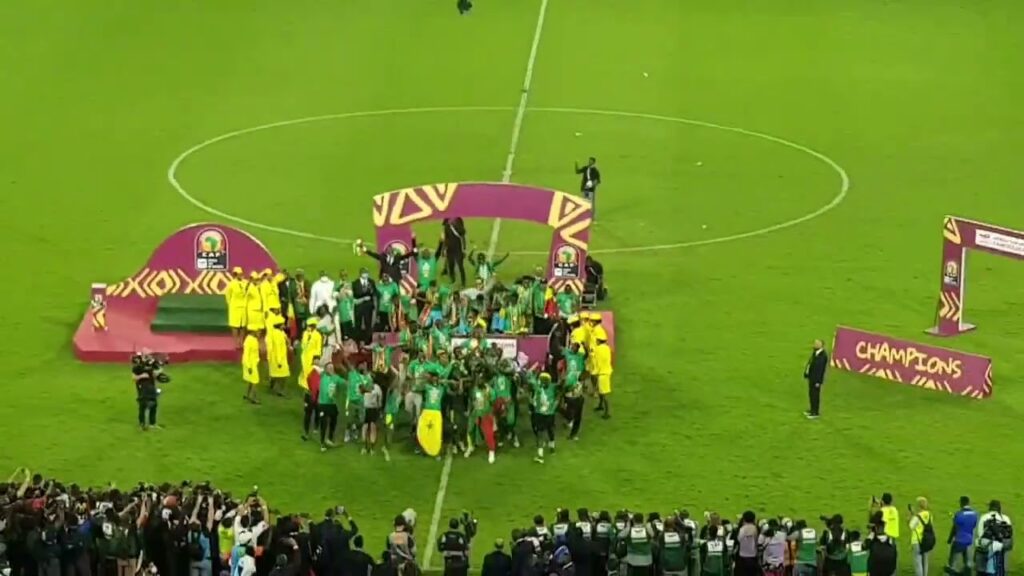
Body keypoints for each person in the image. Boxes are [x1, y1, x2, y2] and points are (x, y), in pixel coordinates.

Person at [975, 500, 1012, 576]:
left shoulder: (984, 517)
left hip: (988, 546)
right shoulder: (1006, 518)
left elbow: (980, 534)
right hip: (1002, 546)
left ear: (990, 507)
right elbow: (1009, 534)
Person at [529, 372, 557, 464]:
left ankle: (540, 455)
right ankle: (552, 447)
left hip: (540, 414)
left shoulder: (537, 387)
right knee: (549, 430)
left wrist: (532, 373)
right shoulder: (553, 387)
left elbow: (529, 379)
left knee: (541, 434)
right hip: (549, 414)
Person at [947, 496, 978, 576]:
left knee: (953, 559)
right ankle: (967, 572)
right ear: (968, 503)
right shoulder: (974, 514)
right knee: (966, 559)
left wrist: (950, 539)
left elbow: (955, 528)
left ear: (961, 503)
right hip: (969, 540)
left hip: (959, 540)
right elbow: (973, 525)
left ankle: (951, 571)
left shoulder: (959, 514)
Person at [317, 363, 342, 452]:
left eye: (332, 368)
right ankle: (322, 444)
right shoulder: (323, 376)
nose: (331, 369)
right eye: (329, 368)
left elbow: (343, 383)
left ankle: (330, 439)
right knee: (323, 423)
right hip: (323, 404)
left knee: (334, 419)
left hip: (332, 404)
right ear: (326, 369)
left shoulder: (336, 377)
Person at [803, 339, 828, 419]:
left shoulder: (823, 356)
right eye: (815, 343)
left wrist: (818, 381)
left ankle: (815, 413)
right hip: (811, 377)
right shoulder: (815, 352)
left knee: (815, 395)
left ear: (822, 345)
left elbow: (820, 370)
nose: (815, 344)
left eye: (817, 343)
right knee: (811, 394)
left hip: (816, 380)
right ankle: (812, 410)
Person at [908, 497, 933, 576]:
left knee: (918, 562)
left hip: (917, 541)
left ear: (919, 506)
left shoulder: (917, 517)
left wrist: (911, 516)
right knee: (925, 561)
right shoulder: (929, 515)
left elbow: (911, 526)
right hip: (926, 541)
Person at [352, 268, 377, 345]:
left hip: (368, 306)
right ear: (360, 274)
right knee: (358, 324)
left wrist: (371, 289)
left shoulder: (371, 282)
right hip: (359, 306)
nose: (365, 274)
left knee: (368, 323)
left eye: (366, 273)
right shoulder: (355, 283)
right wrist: (364, 297)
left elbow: (374, 292)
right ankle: (358, 341)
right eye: (364, 273)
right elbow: (356, 293)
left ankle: (368, 341)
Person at [266, 322, 291, 397]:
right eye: (282, 325)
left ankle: (272, 384)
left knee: (275, 374)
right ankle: (281, 390)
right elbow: (277, 348)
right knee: (284, 375)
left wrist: (288, 342)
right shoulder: (277, 335)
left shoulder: (278, 332)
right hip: (279, 357)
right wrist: (279, 361)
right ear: (279, 326)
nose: (284, 326)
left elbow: (286, 339)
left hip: (274, 357)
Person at [441, 218, 468, 286]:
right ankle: (452, 280)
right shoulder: (447, 226)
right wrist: (444, 249)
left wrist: (464, 249)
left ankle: (463, 282)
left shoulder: (458, 222)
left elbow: (463, 236)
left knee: (460, 267)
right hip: (450, 249)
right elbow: (446, 238)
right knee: (451, 266)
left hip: (458, 250)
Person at [301, 356, 323, 441]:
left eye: (318, 360)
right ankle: (306, 431)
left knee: (317, 412)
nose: (317, 362)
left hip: (318, 395)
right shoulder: (310, 370)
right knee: (308, 414)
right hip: (309, 394)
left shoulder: (321, 372)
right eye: (315, 361)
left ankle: (315, 427)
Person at [361, 374, 383, 456]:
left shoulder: (377, 388)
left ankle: (372, 448)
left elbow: (380, 399)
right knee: (365, 427)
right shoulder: (363, 386)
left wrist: (379, 409)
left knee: (373, 427)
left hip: (373, 409)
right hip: (365, 408)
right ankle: (364, 447)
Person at [592, 335, 613, 419]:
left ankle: (607, 412)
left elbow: (596, 362)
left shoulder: (597, 349)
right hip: (607, 371)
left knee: (604, 394)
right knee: (601, 392)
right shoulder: (607, 348)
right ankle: (600, 405)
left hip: (602, 374)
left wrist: (594, 372)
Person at [226, 267, 247, 346]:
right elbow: (228, 296)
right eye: (239, 274)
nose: (241, 275)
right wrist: (231, 305)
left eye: (241, 274)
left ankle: (241, 341)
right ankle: (236, 342)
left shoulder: (245, 283)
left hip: (243, 307)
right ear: (235, 275)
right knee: (235, 325)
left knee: (243, 325)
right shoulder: (231, 284)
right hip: (234, 307)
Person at [242, 330, 262, 404]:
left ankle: (247, 394)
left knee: (251, 380)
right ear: (253, 332)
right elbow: (246, 355)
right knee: (255, 381)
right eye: (258, 331)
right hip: (250, 364)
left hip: (253, 362)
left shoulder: (253, 339)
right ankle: (254, 398)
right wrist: (249, 366)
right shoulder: (249, 341)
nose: (260, 333)